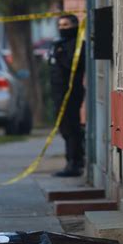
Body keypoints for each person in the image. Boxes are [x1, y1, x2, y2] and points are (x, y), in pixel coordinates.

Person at [48, 14, 85, 177]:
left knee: (71, 128)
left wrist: (60, 54)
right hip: (58, 92)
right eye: (60, 25)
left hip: (71, 92)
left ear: (75, 26)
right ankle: (75, 158)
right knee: (64, 129)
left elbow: (73, 66)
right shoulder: (59, 44)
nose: (62, 28)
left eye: (66, 25)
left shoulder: (77, 45)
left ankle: (74, 163)